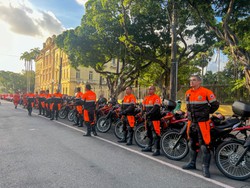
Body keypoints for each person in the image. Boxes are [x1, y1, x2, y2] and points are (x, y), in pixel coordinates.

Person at [182, 75, 219, 178]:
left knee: (205, 145)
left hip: (203, 123)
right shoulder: (188, 92)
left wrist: (205, 113)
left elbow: (215, 105)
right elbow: (188, 107)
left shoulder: (206, 92)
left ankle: (205, 167)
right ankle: (192, 163)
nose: (191, 82)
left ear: (199, 82)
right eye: (190, 80)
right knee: (192, 143)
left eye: (194, 80)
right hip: (191, 122)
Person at [141, 86, 162, 156]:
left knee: (156, 134)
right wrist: (142, 113)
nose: (149, 90)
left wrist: (148, 113)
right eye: (149, 89)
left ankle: (157, 149)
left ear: (154, 90)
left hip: (154, 118)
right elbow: (143, 107)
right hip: (148, 119)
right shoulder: (146, 98)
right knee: (149, 133)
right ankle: (149, 147)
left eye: (151, 89)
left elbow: (156, 108)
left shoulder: (156, 97)